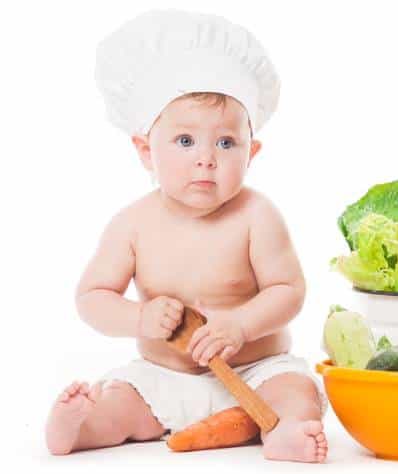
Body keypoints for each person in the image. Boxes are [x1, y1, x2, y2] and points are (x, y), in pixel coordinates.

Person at [44, 9, 327, 463]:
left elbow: (288, 290)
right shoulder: (133, 223)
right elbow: (92, 297)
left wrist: (242, 324)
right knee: (123, 403)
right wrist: (139, 319)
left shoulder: (258, 215)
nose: (206, 159)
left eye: (226, 143)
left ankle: (285, 432)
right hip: (165, 376)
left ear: (251, 152)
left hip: (256, 370)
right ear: (144, 150)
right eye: (184, 141)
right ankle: (82, 426)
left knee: (296, 390)